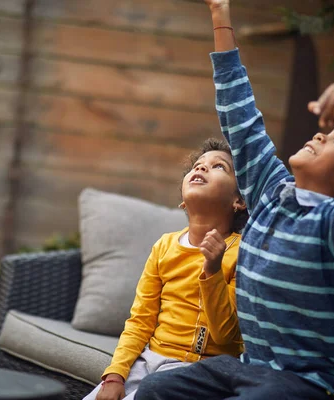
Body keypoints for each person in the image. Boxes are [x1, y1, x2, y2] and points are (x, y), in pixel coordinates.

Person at [134, 1, 334, 399]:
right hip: (252, 369)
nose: (320, 135)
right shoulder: (271, 191)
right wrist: (219, 13)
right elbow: (240, 113)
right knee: (157, 389)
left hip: (316, 386)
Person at [83, 137, 249, 400]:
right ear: (183, 200)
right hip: (148, 360)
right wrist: (116, 374)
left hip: (196, 371)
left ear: (238, 200)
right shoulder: (164, 246)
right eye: (197, 165)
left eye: (219, 167)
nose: (201, 168)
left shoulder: (243, 252)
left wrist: (213, 269)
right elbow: (140, 321)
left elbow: (228, 337)